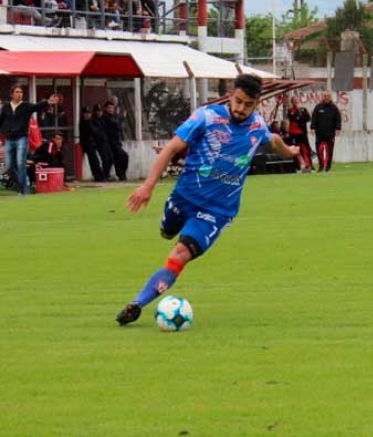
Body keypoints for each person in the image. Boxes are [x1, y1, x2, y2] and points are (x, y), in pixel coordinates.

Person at [115, 73, 300, 325]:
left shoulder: (257, 127)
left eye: (248, 105)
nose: (241, 108)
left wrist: (289, 151)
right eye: (238, 101)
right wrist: (148, 186)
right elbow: (171, 148)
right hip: (184, 197)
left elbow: (274, 141)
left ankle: (137, 304)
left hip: (218, 211)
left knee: (180, 253)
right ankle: (170, 229)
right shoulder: (206, 117)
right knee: (167, 233)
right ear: (231, 96)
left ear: (257, 104)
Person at [0, 87, 60, 195]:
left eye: (21, 92)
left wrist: (48, 102)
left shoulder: (26, 106)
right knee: (9, 166)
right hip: (9, 139)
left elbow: (37, 106)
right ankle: (23, 186)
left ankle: (23, 190)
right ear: (11, 94)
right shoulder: (6, 107)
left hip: (21, 138)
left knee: (20, 164)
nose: (20, 94)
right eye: (17, 92)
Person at [311, 90, 342, 172]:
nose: (326, 98)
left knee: (330, 151)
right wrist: (312, 128)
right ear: (322, 97)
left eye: (328, 96)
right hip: (319, 133)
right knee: (319, 150)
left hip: (330, 133)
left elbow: (338, 119)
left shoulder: (334, 108)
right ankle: (321, 166)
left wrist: (338, 129)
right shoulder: (318, 107)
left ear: (330, 97)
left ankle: (328, 167)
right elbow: (314, 118)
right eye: (324, 96)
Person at [103, 101, 130, 181]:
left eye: (112, 108)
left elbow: (118, 125)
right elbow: (115, 123)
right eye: (109, 108)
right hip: (110, 142)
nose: (111, 110)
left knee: (121, 157)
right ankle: (108, 175)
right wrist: (122, 116)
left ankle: (121, 174)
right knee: (117, 157)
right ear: (106, 108)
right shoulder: (105, 117)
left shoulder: (114, 116)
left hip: (116, 141)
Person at [79, 106, 107, 182]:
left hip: (92, 143)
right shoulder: (85, 122)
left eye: (88, 113)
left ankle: (99, 175)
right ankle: (98, 175)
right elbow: (94, 131)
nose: (87, 115)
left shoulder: (90, 121)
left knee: (95, 161)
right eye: (86, 113)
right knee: (94, 161)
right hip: (87, 144)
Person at [286, 96, 313, 172]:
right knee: (295, 150)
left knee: (306, 149)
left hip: (302, 132)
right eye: (294, 100)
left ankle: (309, 166)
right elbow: (294, 118)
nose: (296, 101)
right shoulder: (290, 110)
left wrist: (300, 114)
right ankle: (298, 167)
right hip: (293, 133)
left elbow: (307, 118)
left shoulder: (303, 109)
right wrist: (299, 114)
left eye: (297, 100)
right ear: (292, 102)